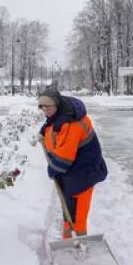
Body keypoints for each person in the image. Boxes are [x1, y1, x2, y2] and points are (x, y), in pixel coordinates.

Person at [38, 89, 107, 239]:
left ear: (57, 105)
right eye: (42, 108)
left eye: (48, 107)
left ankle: (81, 241)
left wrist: (52, 169)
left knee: (78, 214)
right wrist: (43, 131)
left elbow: (64, 159)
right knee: (68, 208)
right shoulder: (60, 115)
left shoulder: (71, 123)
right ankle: (67, 240)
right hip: (72, 172)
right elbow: (52, 125)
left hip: (84, 172)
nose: (45, 111)